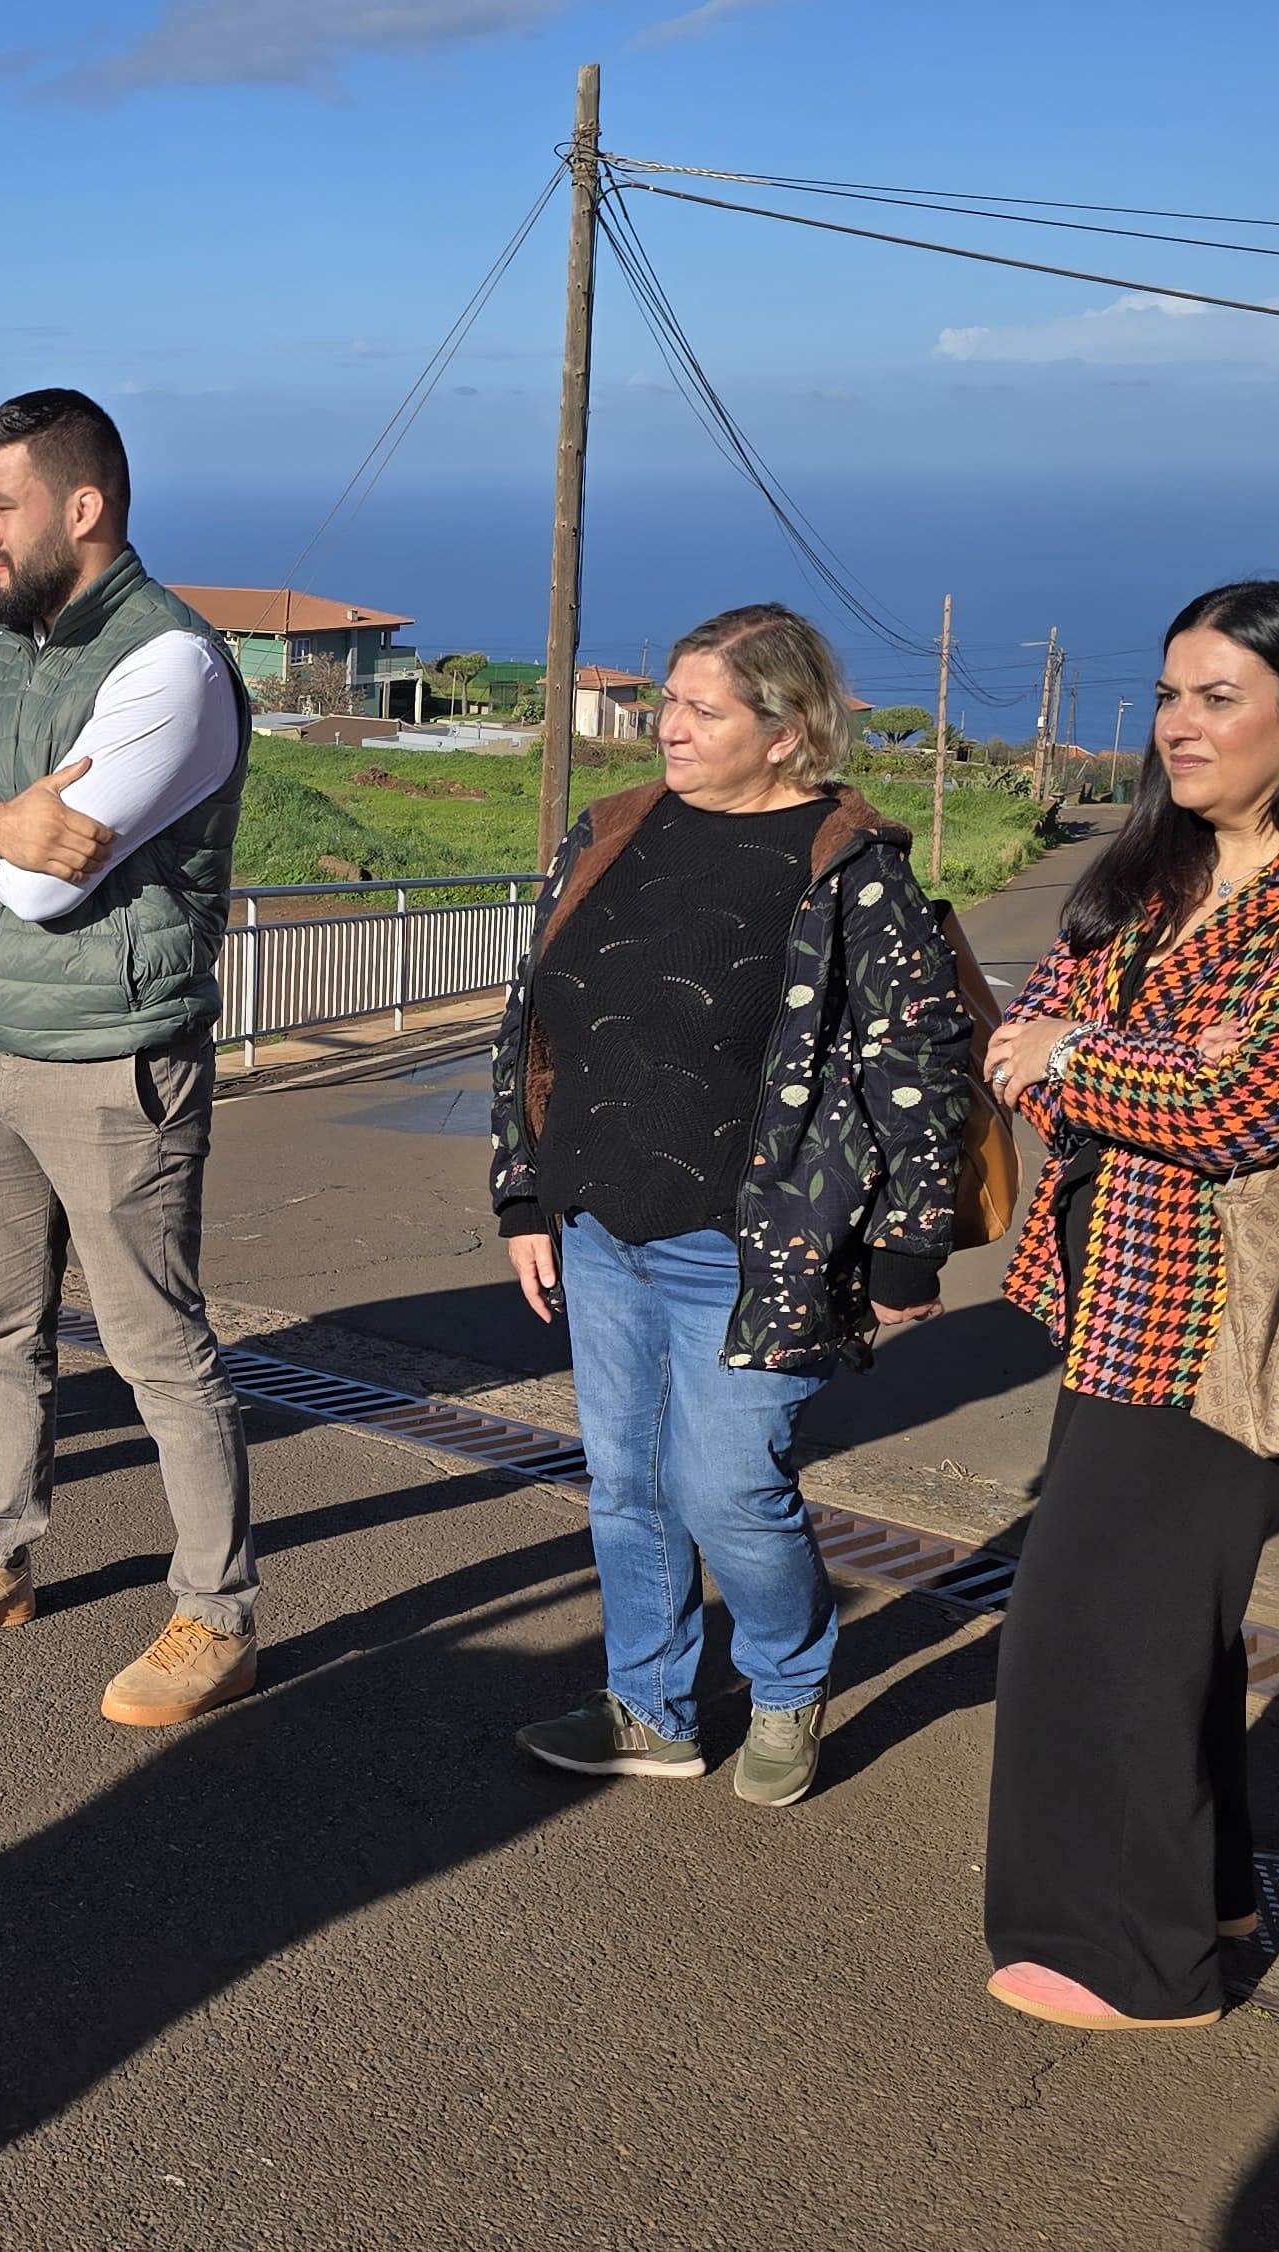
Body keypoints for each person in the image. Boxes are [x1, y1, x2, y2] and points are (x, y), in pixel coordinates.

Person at [978, 579, 1279, 2030]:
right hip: (1115, 1295)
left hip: (1241, 1316)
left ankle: (1136, 1960)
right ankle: (1215, 1891)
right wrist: (1108, 1053)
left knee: (1090, 1631)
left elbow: (1248, 1102)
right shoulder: (1158, 872)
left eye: (1219, 698)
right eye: (1172, 694)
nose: (1181, 726)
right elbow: (1025, 1037)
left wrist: (1087, 1054)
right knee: (1165, 1623)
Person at [486, 603, 972, 1807]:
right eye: (670, 699)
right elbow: (531, 1020)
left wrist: (908, 1245)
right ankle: (648, 1707)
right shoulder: (611, 832)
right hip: (600, 1224)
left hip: (754, 1248)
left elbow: (921, 1060)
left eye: (705, 709)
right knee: (626, 1488)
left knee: (727, 1488)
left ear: (785, 728)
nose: (670, 726)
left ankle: (789, 1680)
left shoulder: (847, 868)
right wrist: (523, 1193)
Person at [0, 387, 261, 1728]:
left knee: (158, 1348)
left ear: (80, 508)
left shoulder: (173, 665)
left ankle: (217, 1614)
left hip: (113, 1058)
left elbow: (50, 887)